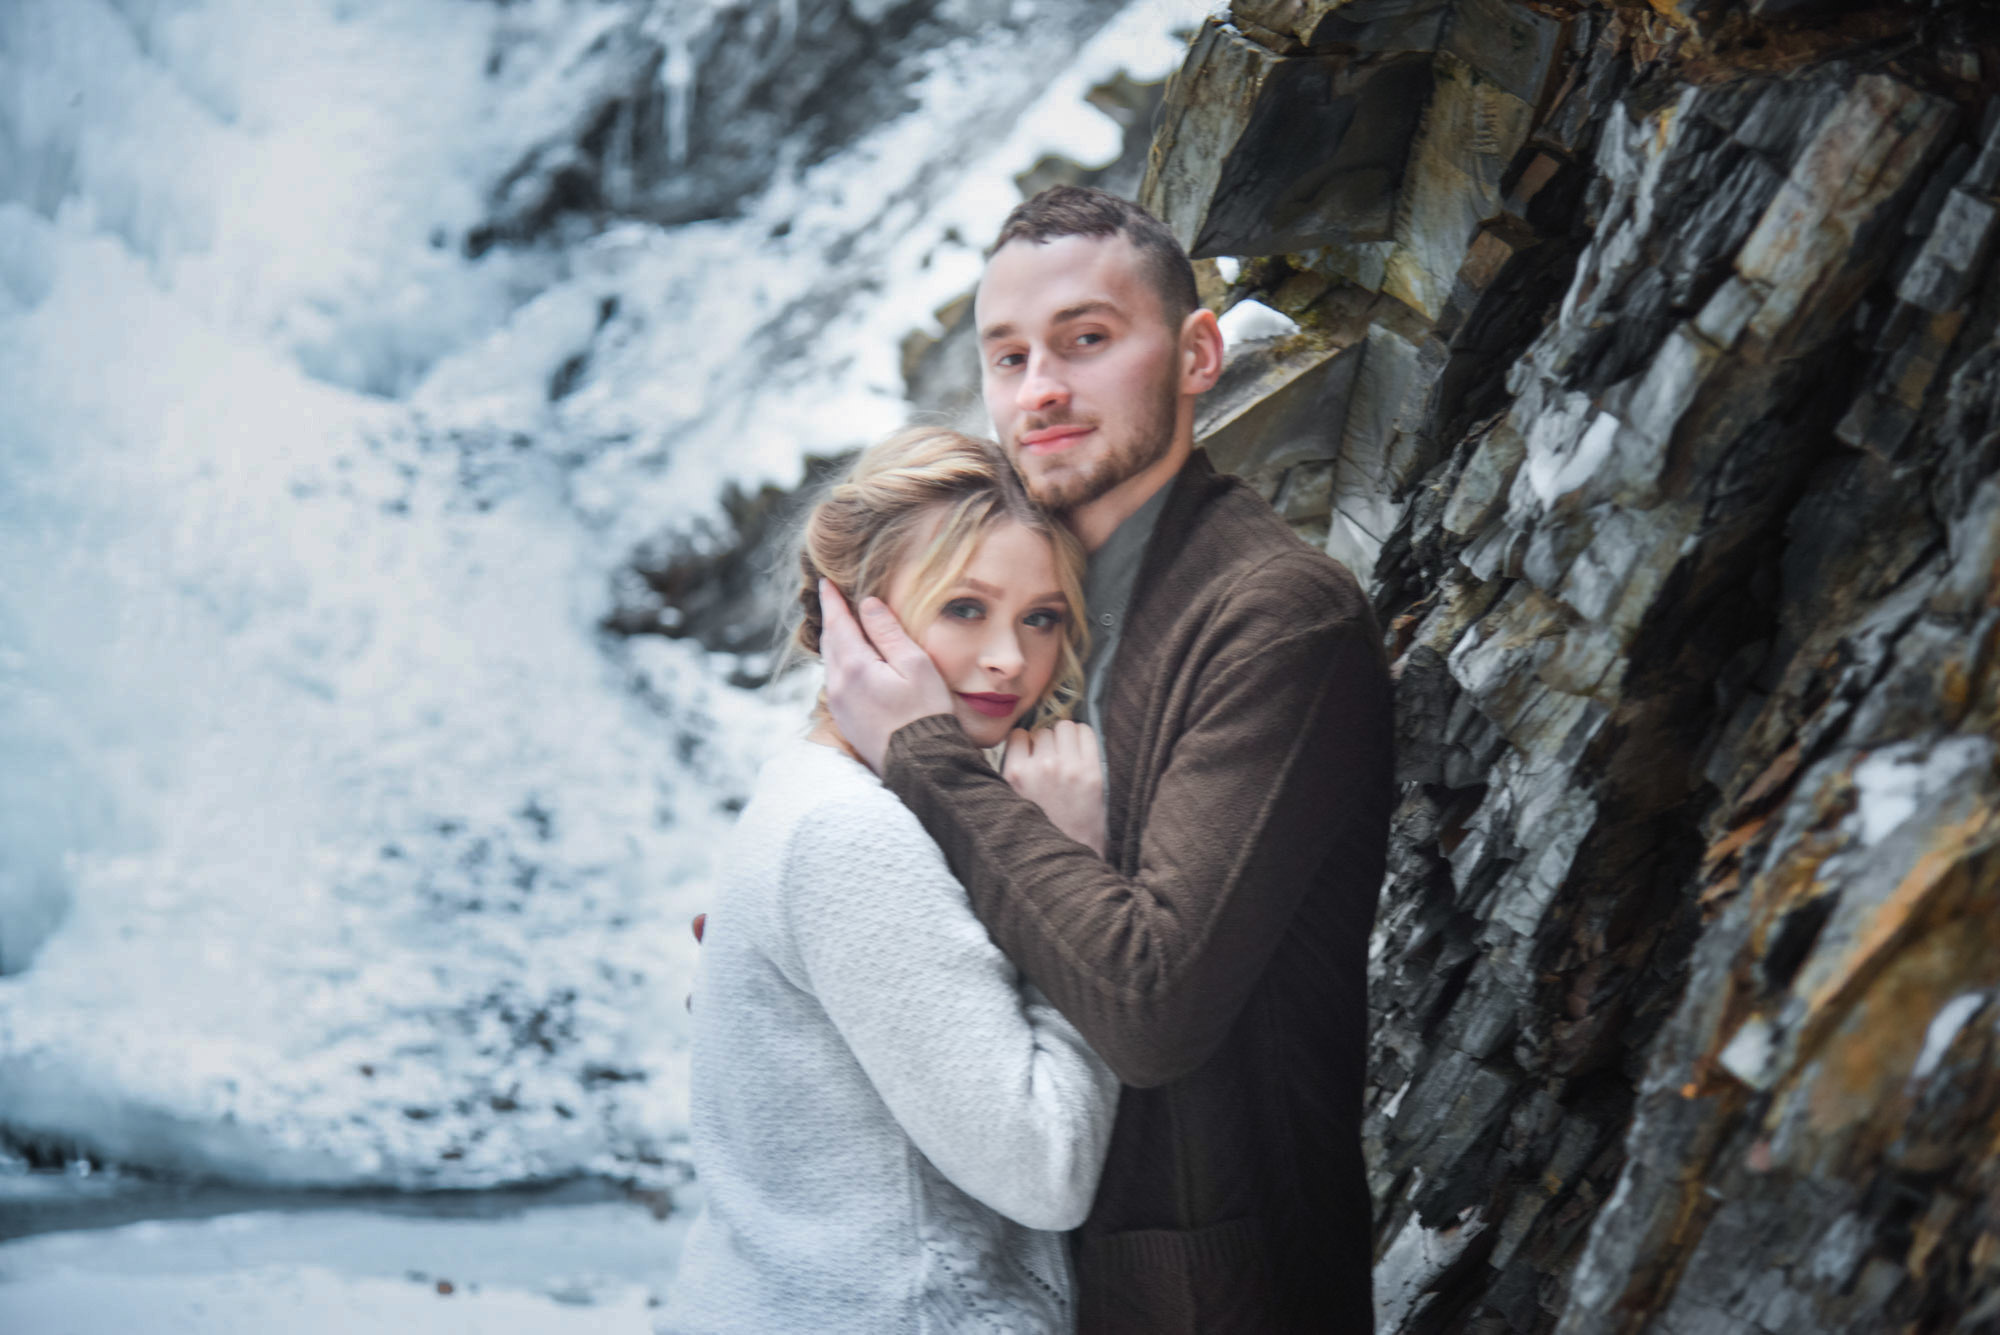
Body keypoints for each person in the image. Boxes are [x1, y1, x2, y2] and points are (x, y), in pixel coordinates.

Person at [818, 185, 1395, 1332]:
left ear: (1194, 355)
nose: (1038, 389)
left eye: (1085, 340)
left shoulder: (1277, 618)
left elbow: (1150, 1004)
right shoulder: (1031, 604)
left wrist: (927, 760)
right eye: (1007, 357)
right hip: (1017, 1279)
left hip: (1214, 1300)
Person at [658, 426, 1121, 1334]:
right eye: (963, 608)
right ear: (848, 618)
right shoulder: (852, 832)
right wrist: (1072, 881)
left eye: (1041, 617)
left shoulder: (818, 789)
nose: (1009, 657)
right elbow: (1046, 1170)